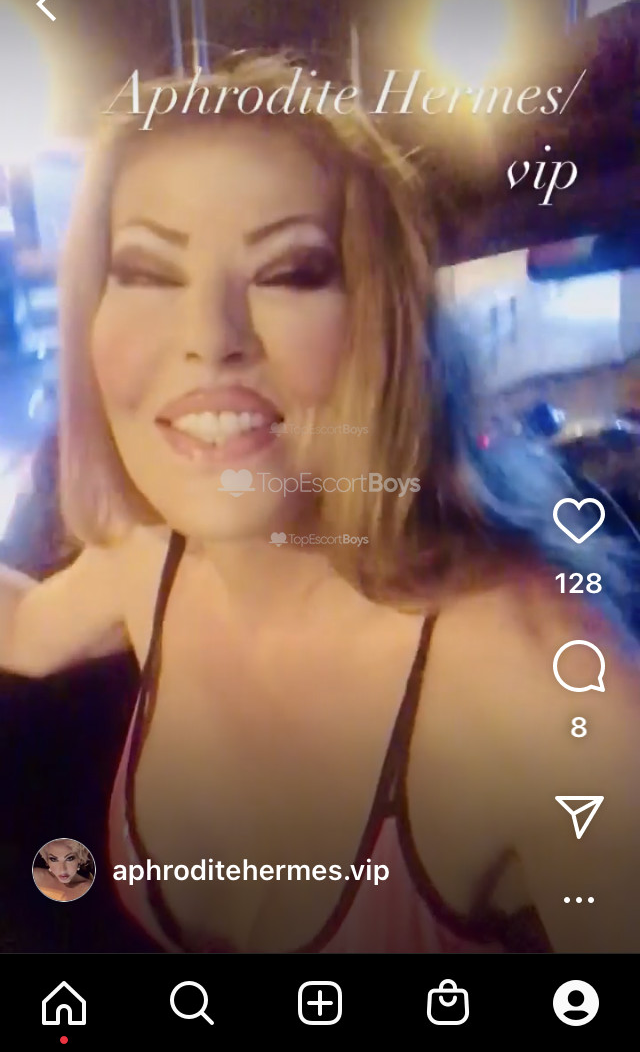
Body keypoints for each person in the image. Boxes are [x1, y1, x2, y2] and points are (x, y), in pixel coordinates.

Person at [0, 52, 639, 954]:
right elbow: (23, 630)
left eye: (290, 272)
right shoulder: (154, 559)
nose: (210, 338)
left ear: (382, 324)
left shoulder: (539, 679)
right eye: (147, 272)